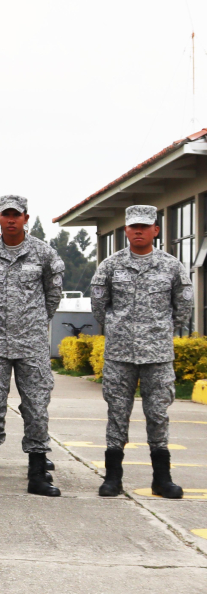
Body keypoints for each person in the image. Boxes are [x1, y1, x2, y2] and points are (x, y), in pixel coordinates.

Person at [91, 204, 191, 499]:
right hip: (120, 355)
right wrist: (120, 328)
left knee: (158, 415)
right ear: (126, 230)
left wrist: (156, 331)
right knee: (117, 415)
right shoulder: (110, 266)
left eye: (144, 226)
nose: (138, 231)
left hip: (158, 356)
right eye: (133, 226)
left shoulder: (172, 266)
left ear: (155, 230)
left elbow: (183, 308)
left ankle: (162, 479)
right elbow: (99, 307)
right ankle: (113, 479)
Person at [0, 195, 65, 498]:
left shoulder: (44, 255)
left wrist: (32, 323)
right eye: (5, 214)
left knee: (36, 409)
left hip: (32, 344)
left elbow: (53, 296)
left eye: (16, 214)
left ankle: (37, 475)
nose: (11, 219)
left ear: (26, 218)